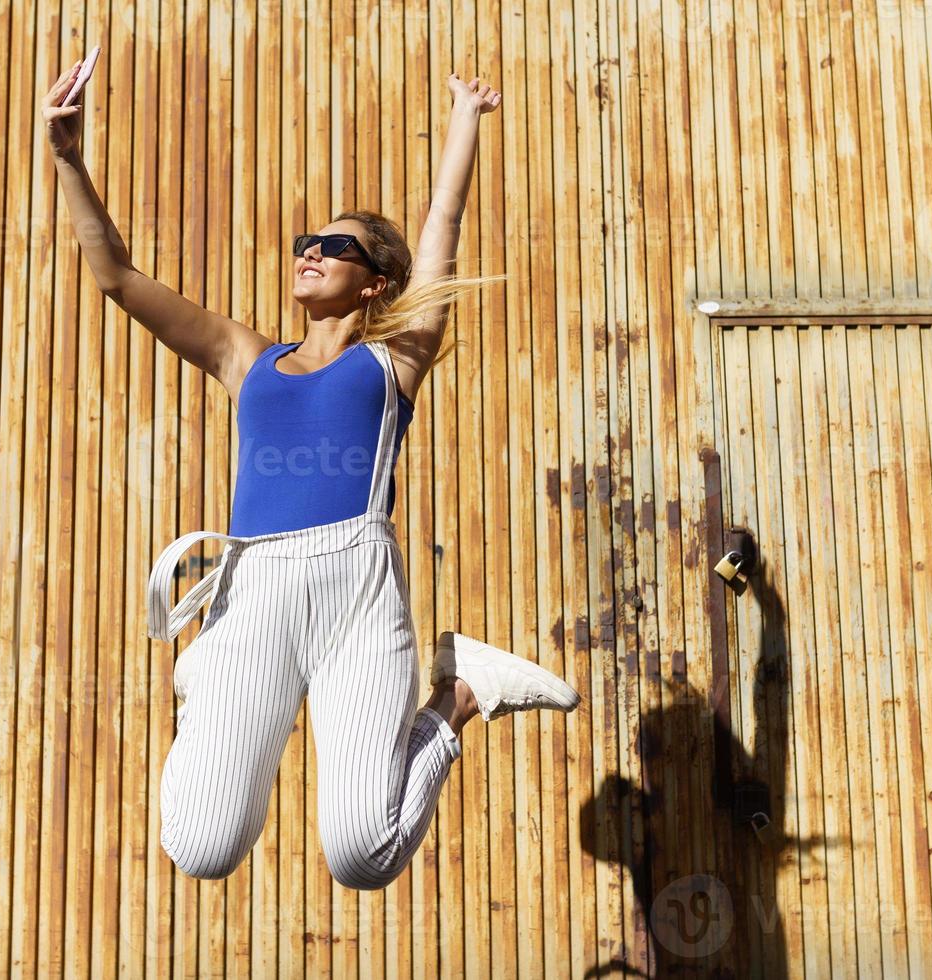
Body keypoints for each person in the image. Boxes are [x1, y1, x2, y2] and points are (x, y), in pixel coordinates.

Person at [41, 56, 580, 889]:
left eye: (337, 247)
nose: (311, 252)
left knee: (362, 853)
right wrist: (69, 159)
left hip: (355, 590)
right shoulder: (244, 356)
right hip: (253, 583)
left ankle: (463, 690)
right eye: (306, 243)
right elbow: (116, 275)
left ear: (376, 283)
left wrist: (466, 120)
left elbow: (441, 220)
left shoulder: (392, 360)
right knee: (201, 846)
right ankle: (209, 676)